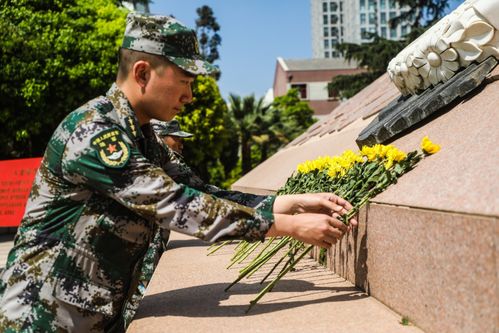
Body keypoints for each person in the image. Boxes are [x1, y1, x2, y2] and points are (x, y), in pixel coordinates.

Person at [0, 13, 357, 332]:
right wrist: (288, 228)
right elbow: (174, 203)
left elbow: (203, 194)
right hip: (40, 318)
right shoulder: (95, 132)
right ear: (142, 73)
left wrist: (289, 203)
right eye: (185, 81)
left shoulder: (142, 138)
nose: (190, 96)